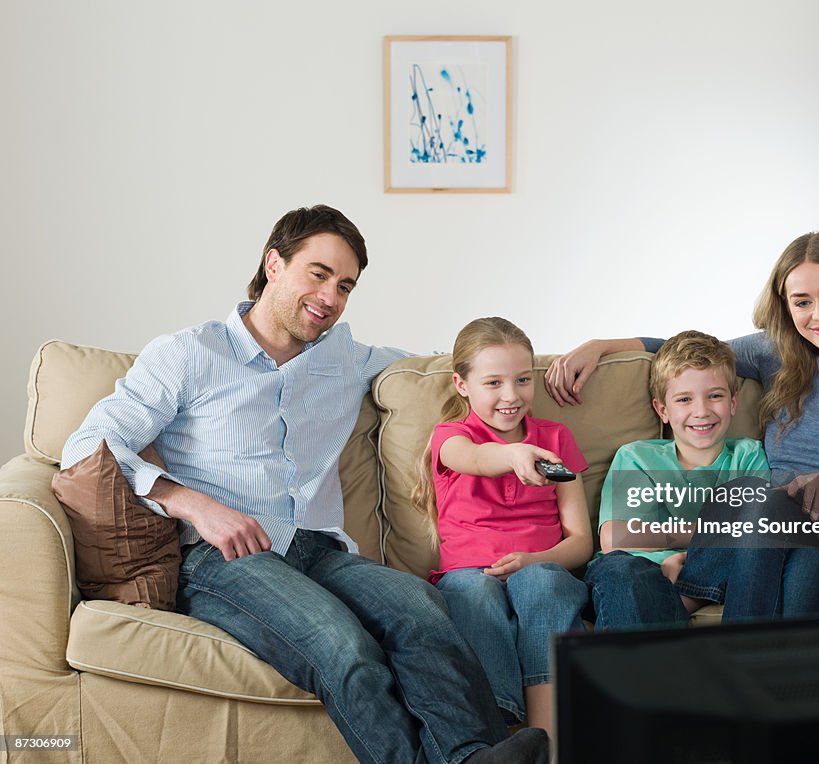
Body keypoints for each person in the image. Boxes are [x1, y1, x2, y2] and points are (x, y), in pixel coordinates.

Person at [61, 205, 549, 764]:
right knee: (345, 648)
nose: (330, 297)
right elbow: (88, 445)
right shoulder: (188, 354)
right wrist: (193, 505)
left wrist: (605, 350)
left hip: (319, 549)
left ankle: (470, 757)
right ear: (274, 263)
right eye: (318, 274)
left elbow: (451, 365)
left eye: (345, 286)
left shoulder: (346, 356)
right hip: (224, 558)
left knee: (422, 610)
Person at [545, 230, 819, 619]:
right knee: (804, 566)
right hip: (780, 540)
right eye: (802, 302)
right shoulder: (778, 355)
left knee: (756, 497)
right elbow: (691, 355)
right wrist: (602, 346)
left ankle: (695, 587)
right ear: (787, 308)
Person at [412, 317, 591, 739]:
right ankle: (502, 734)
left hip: (542, 565)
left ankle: (548, 741)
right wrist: (515, 455)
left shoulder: (557, 438)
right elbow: (473, 459)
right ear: (461, 384)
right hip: (469, 573)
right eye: (493, 383)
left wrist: (535, 559)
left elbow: (581, 542)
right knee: (475, 593)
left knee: (543, 583)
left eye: (523, 380)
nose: (511, 396)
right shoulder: (451, 437)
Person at [587, 330, 819, 627]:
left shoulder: (747, 454)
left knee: (810, 561)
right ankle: (681, 608)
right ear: (662, 410)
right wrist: (701, 541)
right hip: (640, 570)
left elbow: (760, 531)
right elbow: (617, 537)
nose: (701, 411)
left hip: (721, 570)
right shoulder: (638, 457)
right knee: (623, 572)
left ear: (733, 402)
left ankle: (693, 598)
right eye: (684, 400)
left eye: (715, 396)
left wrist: (691, 556)